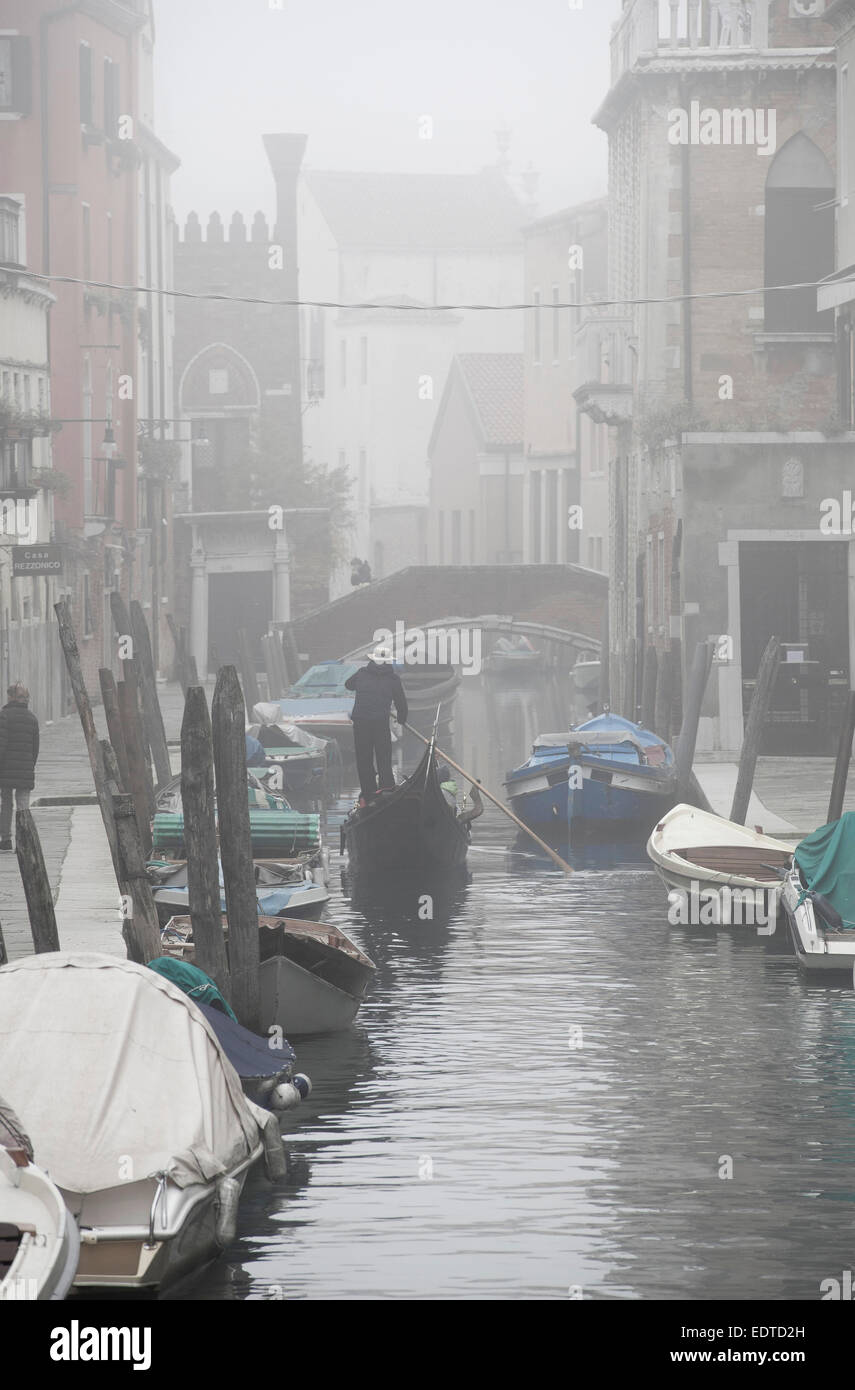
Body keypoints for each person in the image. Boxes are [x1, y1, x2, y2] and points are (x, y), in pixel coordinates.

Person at [345, 647, 408, 807]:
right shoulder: (393, 679)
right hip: (380, 722)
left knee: (364, 758)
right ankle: (386, 788)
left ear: (372, 660)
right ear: (388, 662)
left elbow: (348, 685)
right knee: (383, 756)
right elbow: (401, 704)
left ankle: (368, 792)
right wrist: (401, 719)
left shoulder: (361, 673)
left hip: (360, 722)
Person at [0, 683, 39, 851]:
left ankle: (6, 840)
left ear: (11, 697)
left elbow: (1, 745)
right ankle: (23, 842)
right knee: (23, 805)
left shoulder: (4, 716)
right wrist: (29, 766)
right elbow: (35, 749)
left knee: (6, 803)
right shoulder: (32, 719)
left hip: (6, 769)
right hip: (25, 769)